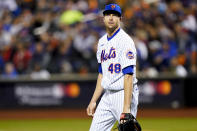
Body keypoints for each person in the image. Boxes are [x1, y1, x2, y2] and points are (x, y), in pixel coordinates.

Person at [86, 3, 139, 131]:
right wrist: (93, 100)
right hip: (107, 95)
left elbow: (128, 76)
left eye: (115, 15)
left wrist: (126, 109)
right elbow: (102, 74)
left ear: (120, 19)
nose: (111, 18)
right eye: (108, 14)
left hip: (123, 93)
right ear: (103, 18)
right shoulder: (102, 42)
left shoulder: (125, 41)